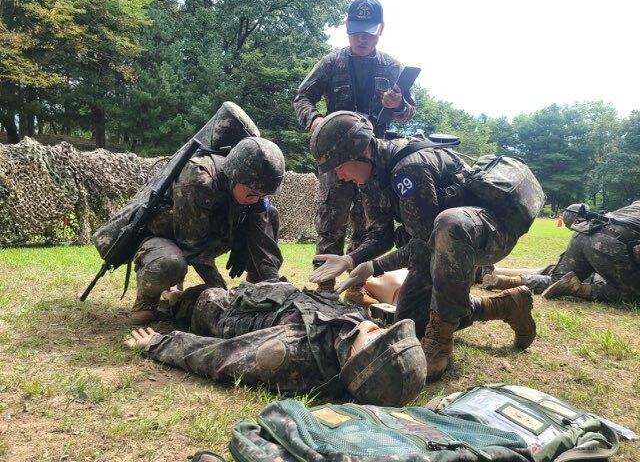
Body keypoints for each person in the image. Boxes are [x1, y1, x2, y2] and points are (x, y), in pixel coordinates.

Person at [308, 111, 540, 381]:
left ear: (362, 151)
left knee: (449, 223)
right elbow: (381, 234)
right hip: (442, 244)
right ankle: (506, 306)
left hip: (487, 231)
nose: (339, 175)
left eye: (339, 165)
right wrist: (351, 260)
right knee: (410, 323)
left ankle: (440, 343)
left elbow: (426, 244)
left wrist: (374, 266)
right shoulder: (372, 178)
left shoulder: (409, 168)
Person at [124, 281, 427, 406]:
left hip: (217, 309)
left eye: (376, 340)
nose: (375, 328)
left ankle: (171, 298)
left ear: (357, 361)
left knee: (185, 299)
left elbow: (221, 358)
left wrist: (159, 343)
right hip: (262, 298)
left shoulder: (291, 353)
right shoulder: (349, 332)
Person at [293, 0, 416, 304]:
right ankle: (323, 290)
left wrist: (398, 104)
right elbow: (302, 98)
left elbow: (408, 111)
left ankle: (355, 288)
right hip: (336, 159)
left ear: (381, 30)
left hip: (373, 161)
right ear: (347, 27)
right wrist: (315, 120)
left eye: (369, 31)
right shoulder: (331, 62)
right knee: (329, 222)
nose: (363, 37)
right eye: (357, 30)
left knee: (367, 223)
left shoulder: (393, 67)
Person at [93, 135, 286, 324]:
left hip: (214, 234)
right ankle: (147, 300)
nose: (257, 199)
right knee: (170, 263)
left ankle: (257, 286)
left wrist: (272, 288)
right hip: (170, 238)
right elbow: (194, 246)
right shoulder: (198, 178)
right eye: (253, 193)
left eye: (263, 195)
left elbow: (265, 247)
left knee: (271, 213)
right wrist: (224, 297)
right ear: (234, 176)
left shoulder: (255, 190)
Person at [483, 201, 640, 303]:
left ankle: (505, 281)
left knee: (557, 279)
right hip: (610, 243)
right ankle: (578, 288)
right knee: (633, 295)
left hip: (584, 232)